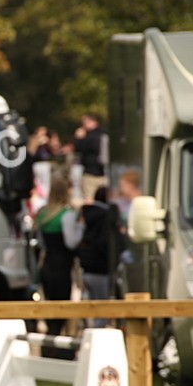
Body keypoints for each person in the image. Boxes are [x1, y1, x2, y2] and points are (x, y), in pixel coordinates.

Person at [35, 175, 82, 346]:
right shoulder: (67, 215)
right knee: (62, 308)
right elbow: (71, 243)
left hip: (47, 264)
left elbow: (41, 242)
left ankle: (49, 347)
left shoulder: (43, 214)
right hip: (63, 266)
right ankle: (60, 349)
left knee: (50, 307)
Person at [78, 186, 120, 326]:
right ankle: (97, 340)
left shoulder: (88, 214)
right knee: (102, 310)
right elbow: (104, 243)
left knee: (94, 309)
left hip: (87, 268)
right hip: (101, 269)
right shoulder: (106, 217)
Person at [73, 113, 108, 202]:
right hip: (105, 173)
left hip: (90, 173)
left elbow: (78, 149)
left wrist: (78, 138)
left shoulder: (88, 137)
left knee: (89, 200)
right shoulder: (105, 134)